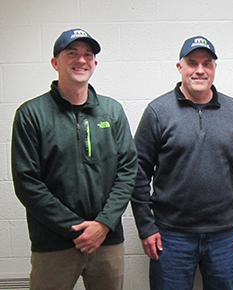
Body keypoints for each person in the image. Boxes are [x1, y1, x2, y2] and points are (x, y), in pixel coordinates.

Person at [11, 28, 137, 290]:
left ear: (94, 63)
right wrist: (76, 229)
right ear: (56, 62)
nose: (81, 60)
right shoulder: (31, 114)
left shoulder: (112, 111)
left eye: (87, 55)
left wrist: (103, 224)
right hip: (54, 244)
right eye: (72, 53)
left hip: (107, 241)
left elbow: (127, 171)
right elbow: (27, 182)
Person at [130, 35, 233, 290]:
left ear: (214, 69)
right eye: (192, 63)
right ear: (180, 67)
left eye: (207, 63)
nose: (200, 70)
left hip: (225, 236)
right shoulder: (158, 111)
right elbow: (137, 172)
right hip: (171, 236)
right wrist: (146, 227)